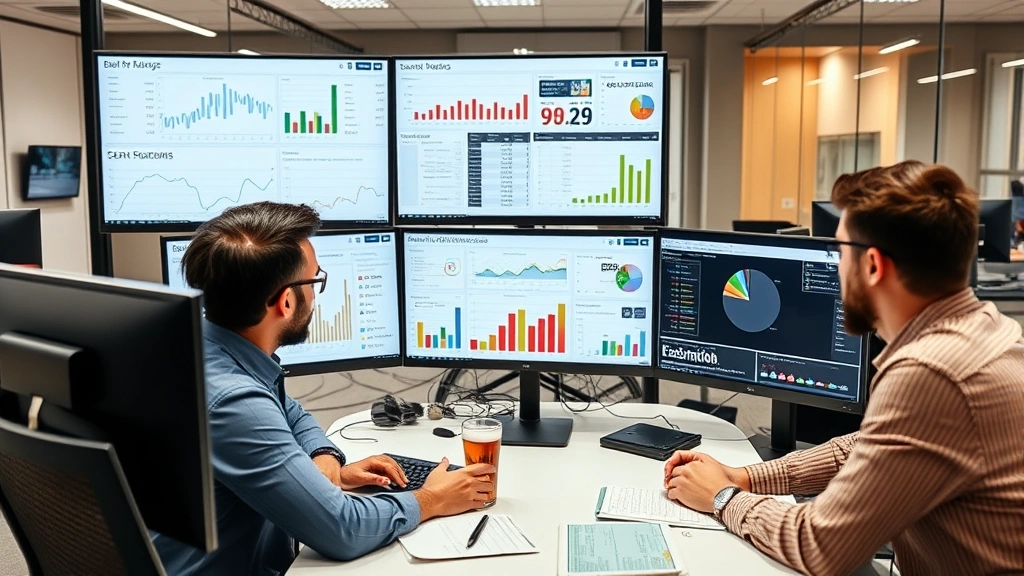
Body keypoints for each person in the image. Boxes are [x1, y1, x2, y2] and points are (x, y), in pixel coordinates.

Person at [663, 161, 1024, 575]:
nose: (835, 268)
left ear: (872, 265)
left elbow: (821, 546)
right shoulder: (983, 327)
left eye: (838, 253)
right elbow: (866, 446)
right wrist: (745, 476)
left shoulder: (931, 373)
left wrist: (722, 498)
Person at [152, 202, 494, 575]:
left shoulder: (201, 346)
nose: (316, 294)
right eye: (315, 281)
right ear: (286, 301)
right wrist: (432, 498)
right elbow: (342, 530)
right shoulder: (234, 402)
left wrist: (325, 460)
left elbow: (292, 413)